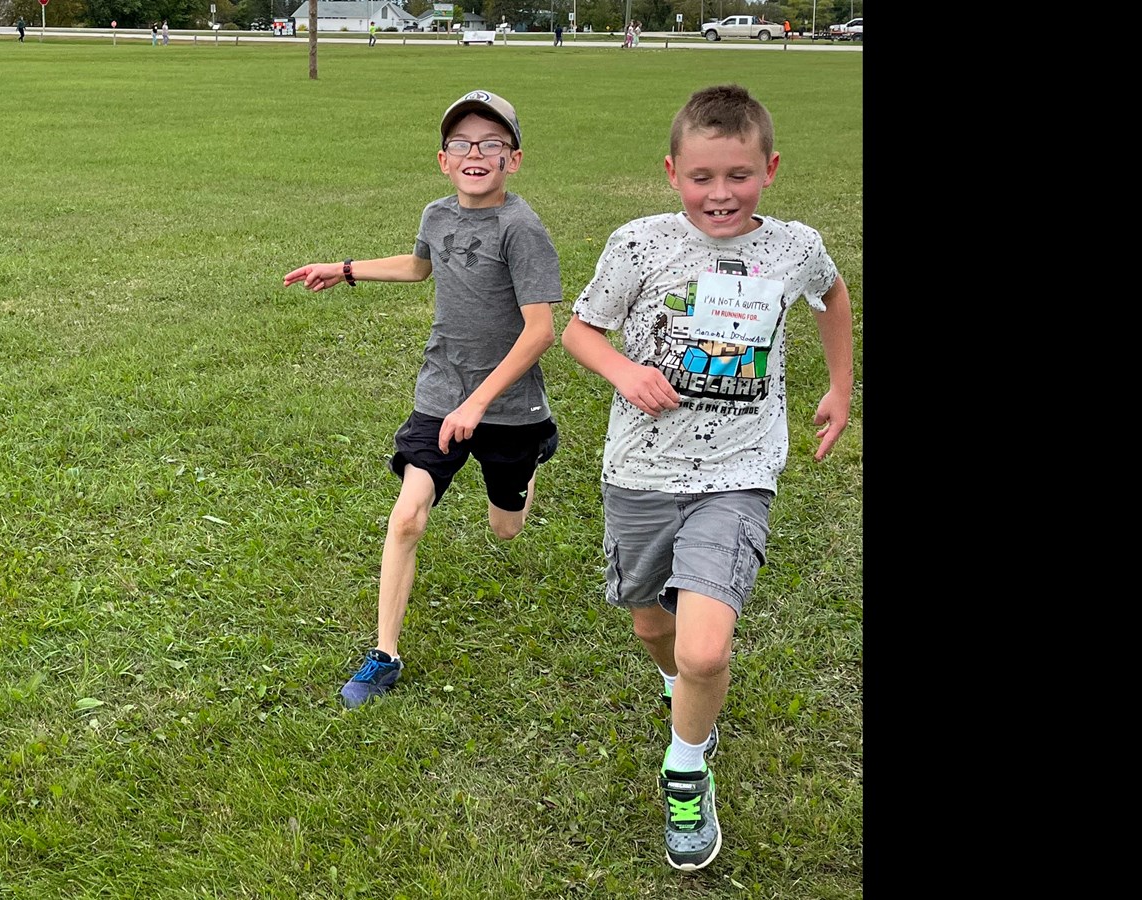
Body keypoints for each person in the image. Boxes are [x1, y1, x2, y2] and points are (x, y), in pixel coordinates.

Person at [560, 84, 853, 873]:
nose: (720, 194)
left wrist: (840, 384)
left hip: (739, 472)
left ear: (770, 168)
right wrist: (624, 370)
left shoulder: (792, 246)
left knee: (704, 649)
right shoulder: (638, 246)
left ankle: (685, 771)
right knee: (654, 627)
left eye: (738, 175)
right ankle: (680, 694)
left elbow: (831, 294)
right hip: (642, 474)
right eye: (701, 178)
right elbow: (580, 331)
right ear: (671, 172)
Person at [283, 90, 563, 710]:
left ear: (513, 160)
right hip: (441, 391)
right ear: (443, 159)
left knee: (506, 529)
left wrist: (480, 404)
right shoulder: (437, 214)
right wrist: (346, 267)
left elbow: (541, 331)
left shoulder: (522, 228)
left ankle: (531, 458)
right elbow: (419, 268)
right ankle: (385, 654)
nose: (475, 153)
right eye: (462, 143)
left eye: (492, 143)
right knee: (407, 515)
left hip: (509, 407)